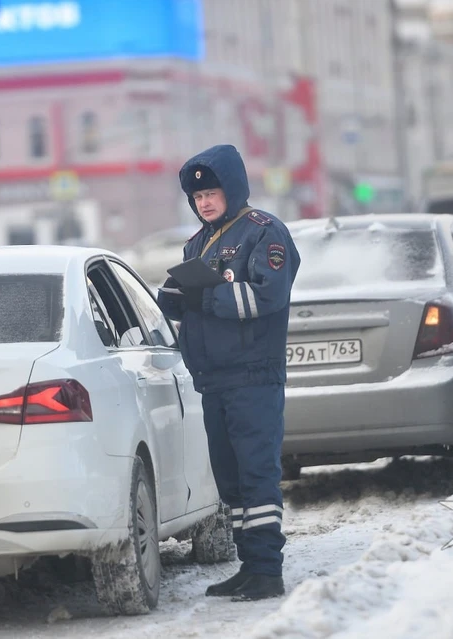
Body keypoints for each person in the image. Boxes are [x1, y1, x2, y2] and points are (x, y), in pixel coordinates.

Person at [157, 144, 301, 601]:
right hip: (214, 379)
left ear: (233, 189)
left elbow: (266, 297)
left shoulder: (265, 233)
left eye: (212, 193)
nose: (204, 203)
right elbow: (185, 300)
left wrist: (209, 298)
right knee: (231, 478)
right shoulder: (197, 243)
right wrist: (174, 300)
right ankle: (249, 564)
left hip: (253, 375)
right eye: (197, 197)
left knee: (257, 474)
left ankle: (266, 570)